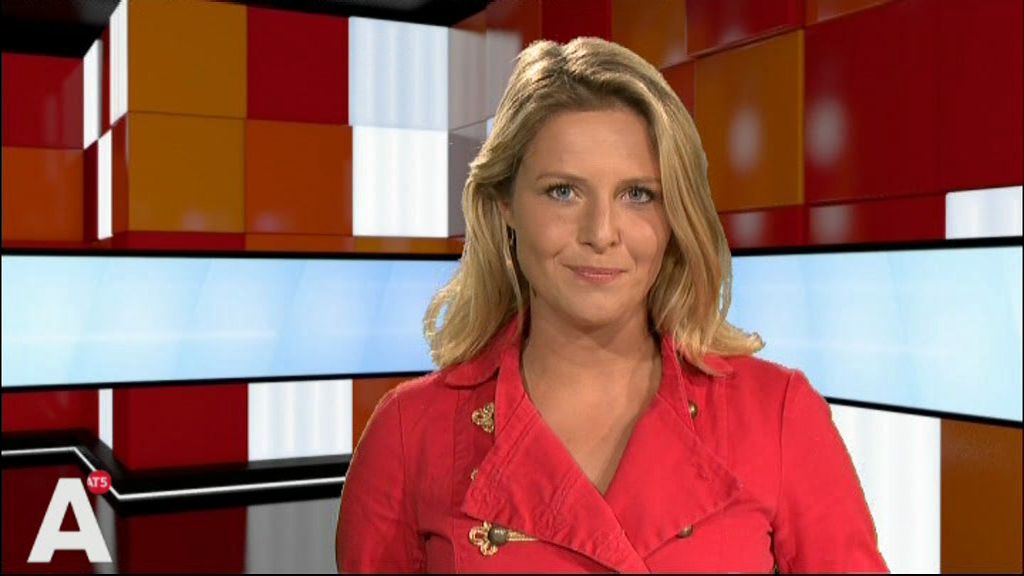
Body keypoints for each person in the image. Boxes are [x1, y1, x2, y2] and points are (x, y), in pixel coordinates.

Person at [336, 36, 888, 573]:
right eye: (563, 191)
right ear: (504, 203)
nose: (601, 233)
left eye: (638, 195)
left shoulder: (778, 414)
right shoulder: (410, 433)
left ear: (676, 215)